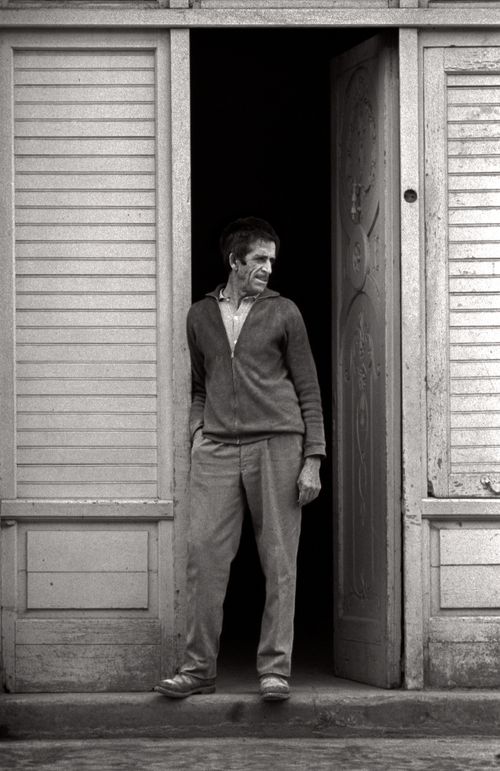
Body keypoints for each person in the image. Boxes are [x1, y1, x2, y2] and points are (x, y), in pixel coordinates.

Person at [155, 217, 325, 701]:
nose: (268, 268)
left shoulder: (285, 312)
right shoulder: (199, 316)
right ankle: (198, 669)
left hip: (277, 442)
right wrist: (196, 432)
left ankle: (275, 669)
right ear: (234, 261)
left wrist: (313, 457)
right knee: (204, 558)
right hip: (216, 448)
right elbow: (197, 386)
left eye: (272, 260)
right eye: (259, 260)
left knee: (279, 560)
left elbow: (308, 387)